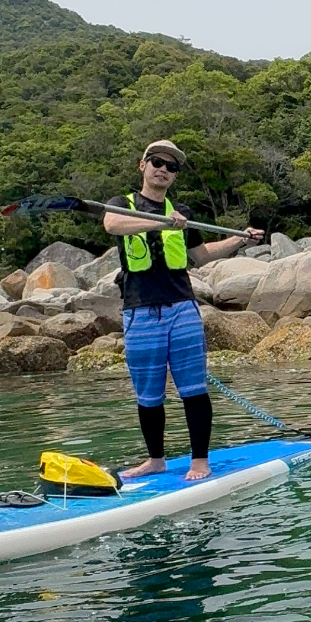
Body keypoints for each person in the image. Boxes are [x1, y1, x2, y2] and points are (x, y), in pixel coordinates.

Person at [105, 140, 263, 481]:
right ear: (142, 166)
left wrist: (240, 240)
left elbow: (201, 255)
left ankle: (200, 461)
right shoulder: (124, 205)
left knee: (193, 387)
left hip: (182, 307)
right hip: (140, 309)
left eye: (172, 166)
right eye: (157, 162)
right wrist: (161, 223)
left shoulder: (184, 214)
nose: (164, 169)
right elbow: (112, 226)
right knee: (148, 393)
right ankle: (155, 460)